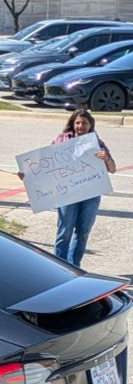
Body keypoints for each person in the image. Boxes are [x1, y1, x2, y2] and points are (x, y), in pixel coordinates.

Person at [50, 109, 116, 267]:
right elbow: (45, 165)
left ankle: (74, 266)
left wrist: (105, 158)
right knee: (64, 232)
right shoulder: (61, 140)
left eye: (84, 123)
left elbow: (112, 169)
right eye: (78, 122)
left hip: (90, 194)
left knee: (83, 232)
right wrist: (28, 175)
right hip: (67, 193)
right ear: (73, 124)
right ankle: (59, 267)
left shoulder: (97, 143)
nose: (81, 126)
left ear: (91, 125)